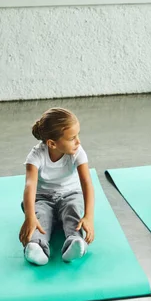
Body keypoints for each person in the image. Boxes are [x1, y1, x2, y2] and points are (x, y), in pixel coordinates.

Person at [19, 108, 94, 266]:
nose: (78, 141)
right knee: (40, 216)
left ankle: (75, 243)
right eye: (72, 138)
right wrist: (30, 216)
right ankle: (36, 246)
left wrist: (88, 216)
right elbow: (30, 185)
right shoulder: (36, 155)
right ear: (52, 143)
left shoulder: (77, 152)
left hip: (70, 195)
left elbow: (87, 183)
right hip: (42, 198)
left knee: (73, 210)